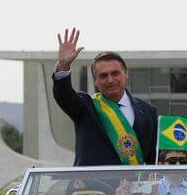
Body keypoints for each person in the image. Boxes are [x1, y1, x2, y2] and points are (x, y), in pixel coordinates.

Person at [52, 28, 158, 167]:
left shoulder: (148, 111)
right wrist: (63, 66)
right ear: (95, 81)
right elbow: (63, 95)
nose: (110, 80)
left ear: (126, 74)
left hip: (134, 181)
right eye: (103, 76)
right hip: (92, 181)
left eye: (115, 73)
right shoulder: (86, 106)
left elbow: (153, 158)